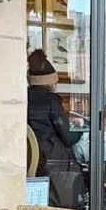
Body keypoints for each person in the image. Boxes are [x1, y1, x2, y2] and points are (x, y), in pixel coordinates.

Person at [27, 50, 71, 201]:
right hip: (50, 161)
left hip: (29, 158)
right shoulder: (52, 101)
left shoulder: (23, 98)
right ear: (49, 82)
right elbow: (67, 137)